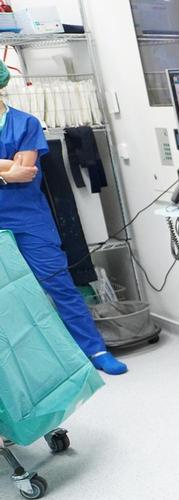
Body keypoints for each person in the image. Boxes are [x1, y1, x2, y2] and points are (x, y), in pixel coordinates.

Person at [0, 60, 127, 375]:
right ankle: (23, 372)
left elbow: (26, 172)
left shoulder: (25, 123)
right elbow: (14, 170)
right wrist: (7, 170)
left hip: (28, 219)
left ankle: (95, 350)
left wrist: (14, 172)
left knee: (59, 284)